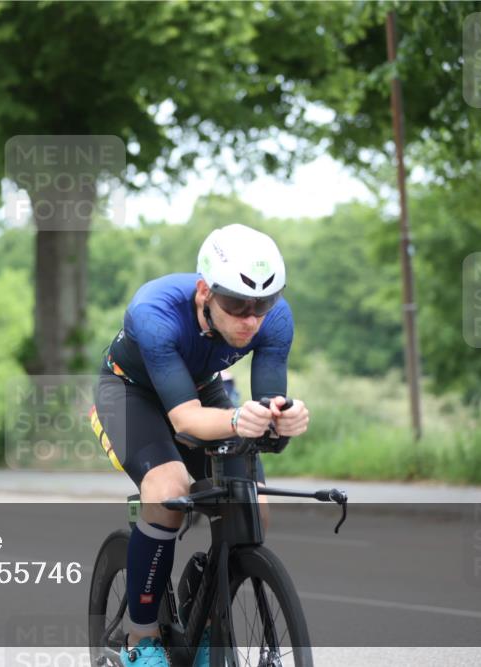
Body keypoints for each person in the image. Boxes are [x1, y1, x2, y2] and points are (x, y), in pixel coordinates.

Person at [91, 224, 309, 667]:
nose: (251, 319)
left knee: (255, 507)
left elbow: (266, 410)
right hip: (130, 393)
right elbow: (186, 421)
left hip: (200, 388)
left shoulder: (275, 319)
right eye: (236, 305)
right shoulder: (153, 312)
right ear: (204, 293)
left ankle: (209, 615)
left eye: (263, 305)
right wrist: (237, 418)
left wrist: (282, 420)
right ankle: (141, 640)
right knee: (168, 489)